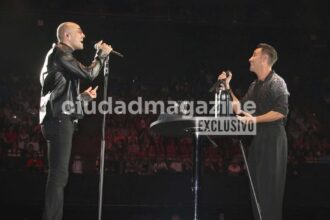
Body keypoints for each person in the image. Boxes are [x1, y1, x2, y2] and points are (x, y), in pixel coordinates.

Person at [39, 22, 112, 220]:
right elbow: (89, 73)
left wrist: (84, 98)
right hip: (60, 120)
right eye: (79, 31)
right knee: (58, 177)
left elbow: (59, 94)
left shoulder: (57, 56)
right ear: (66, 35)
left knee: (58, 175)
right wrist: (101, 56)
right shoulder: (61, 53)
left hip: (57, 118)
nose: (84, 35)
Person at [218, 43, 289, 220]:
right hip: (258, 140)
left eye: (254, 55)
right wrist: (227, 87)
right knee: (256, 194)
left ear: (265, 58)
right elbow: (239, 108)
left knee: (269, 195)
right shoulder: (254, 85)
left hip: (273, 139)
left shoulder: (277, 82)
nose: (250, 58)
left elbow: (281, 112)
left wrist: (254, 119)